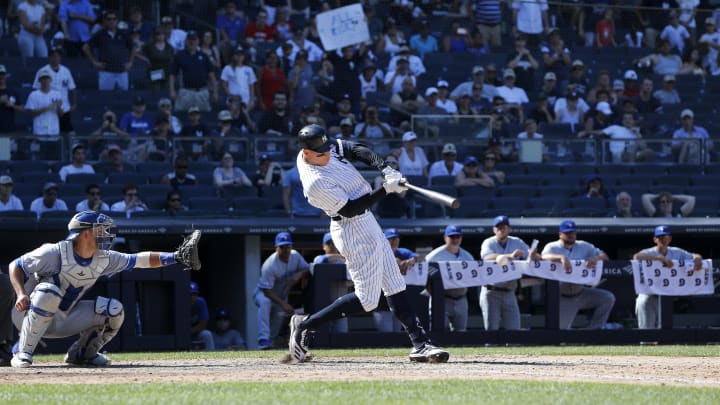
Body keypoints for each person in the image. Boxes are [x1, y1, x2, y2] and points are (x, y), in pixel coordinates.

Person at [287, 124, 449, 363]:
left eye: (327, 148)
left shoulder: (322, 148)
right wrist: (386, 189)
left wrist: (384, 167)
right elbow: (351, 209)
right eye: (322, 153)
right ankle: (305, 325)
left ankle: (420, 344)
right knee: (367, 300)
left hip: (368, 221)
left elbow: (356, 149)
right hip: (351, 228)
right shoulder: (314, 182)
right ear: (307, 153)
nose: (328, 154)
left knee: (395, 283)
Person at [9, 211, 202, 367]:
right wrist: (20, 293)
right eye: (101, 230)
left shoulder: (103, 258)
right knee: (49, 291)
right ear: (86, 234)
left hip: (64, 319)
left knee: (114, 310)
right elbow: (15, 265)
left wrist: (176, 257)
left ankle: (82, 353)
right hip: (26, 314)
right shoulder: (53, 252)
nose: (106, 234)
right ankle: (22, 352)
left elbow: (138, 260)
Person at [540, 220, 616, 329]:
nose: (571, 235)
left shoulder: (584, 246)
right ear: (560, 234)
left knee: (608, 298)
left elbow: (605, 257)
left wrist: (595, 258)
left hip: (581, 292)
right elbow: (543, 257)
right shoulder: (553, 246)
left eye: (573, 233)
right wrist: (561, 258)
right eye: (567, 233)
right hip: (563, 296)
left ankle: (595, 330)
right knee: (561, 333)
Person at [632, 225, 703, 329]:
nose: (663, 240)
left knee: (664, 330)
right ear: (655, 239)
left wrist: (697, 258)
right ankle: (646, 342)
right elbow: (636, 257)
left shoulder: (676, 251)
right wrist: (658, 258)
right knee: (647, 328)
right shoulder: (650, 252)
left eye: (665, 237)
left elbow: (694, 256)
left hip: (668, 295)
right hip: (649, 294)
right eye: (660, 238)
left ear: (670, 239)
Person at [480, 216, 541, 330]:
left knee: (514, 329)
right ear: (494, 230)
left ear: (509, 229)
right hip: (491, 291)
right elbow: (487, 257)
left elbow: (531, 256)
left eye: (504, 227)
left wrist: (534, 255)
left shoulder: (517, 242)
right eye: (498, 227)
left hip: (509, 292)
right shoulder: (488, 242)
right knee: (491, 329)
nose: (501, 230)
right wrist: (510, 256)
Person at [255, 232, 309, 350]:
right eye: (282, 247)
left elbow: (308, 268)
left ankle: (270, 343)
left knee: (277, 321)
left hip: (281, 296)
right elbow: (266, 290)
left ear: (291, 247)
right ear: (276, 248)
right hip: (264, 293)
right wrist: (283, 303)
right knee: (265, 303)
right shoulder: (270, 265)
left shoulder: (295, 256)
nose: (285, 250)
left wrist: (300, 274)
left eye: (287, 246)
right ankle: (263, 339)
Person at [426, 224, 474, 332]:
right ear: (445, 238)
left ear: (461, 238)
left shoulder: (467, 256)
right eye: (452, 237)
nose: (455, 240)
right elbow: (426, 278)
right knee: (439, 332)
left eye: (458, 237)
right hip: (442, 299)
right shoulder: (434, 256)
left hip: (461, 298)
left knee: (461, 332)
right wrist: (434, 294)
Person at [83, 10, 136, 91]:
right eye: (109, 19)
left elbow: (133, 47)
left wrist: (130, 62)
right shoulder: (100, 34)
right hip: (106, 71)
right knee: (105, 97)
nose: (112, 21)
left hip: (121, 71)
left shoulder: (123, 34)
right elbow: (85, 47)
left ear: (117, 20)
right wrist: (94, 62)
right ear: (104, 21)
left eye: (114, 19)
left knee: (123, 97)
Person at [168, 30, 219, 112]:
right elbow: (172, 74)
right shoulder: (179, 56)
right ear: (186, 41)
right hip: (186, 92)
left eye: (194, 40)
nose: (192, 42)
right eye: (189, 40)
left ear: (198, 41)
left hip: (202, 92)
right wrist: (172, 90)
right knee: (181, 115)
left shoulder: (204, 56)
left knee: (205, 117)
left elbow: (211, 75)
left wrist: (215, 92)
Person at [32, 48, 77, 135]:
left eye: (57, 56)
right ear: (49, 57)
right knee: (49, 132)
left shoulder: (66, 71)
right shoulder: (42, 71)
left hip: (64, 107)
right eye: (53, 56)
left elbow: (72, 88)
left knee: (68, 133)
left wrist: (74, 104)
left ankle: (69, 148)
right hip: (48, 108)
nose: (55, 58)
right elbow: (35, 89)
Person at [312, 232, 349, 334]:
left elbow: (351, 282)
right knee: (323, 334)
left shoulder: (345, 261)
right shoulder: (319, 258)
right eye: (329, 243)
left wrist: (342, 258)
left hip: (341, 304)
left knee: (341, 335)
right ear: (324, 246)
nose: (332, 246)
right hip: (323, 305)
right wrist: (339, 256)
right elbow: (320, 261)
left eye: (334, 243)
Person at [25, 68, 63, 159]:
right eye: (43, 79)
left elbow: (61, 114)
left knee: (55, 159)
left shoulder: (57, 94)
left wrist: (58, 107)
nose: (45, 81)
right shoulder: (33, 95)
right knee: (41, 160)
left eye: (47, 78)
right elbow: (30, 113)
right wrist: (46, 108)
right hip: (40, 134)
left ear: (50, 80)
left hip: (54, 134)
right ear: (39, 81)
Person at [189, 281, 215, 351]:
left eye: (194, 294)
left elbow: (203, 324)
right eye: (190, 294)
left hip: (194, 332)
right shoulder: (179, 302)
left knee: (207, 334)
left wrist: (190, 331)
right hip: (181, 334)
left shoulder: (200, 302)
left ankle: (211, 357)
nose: (192, 296)